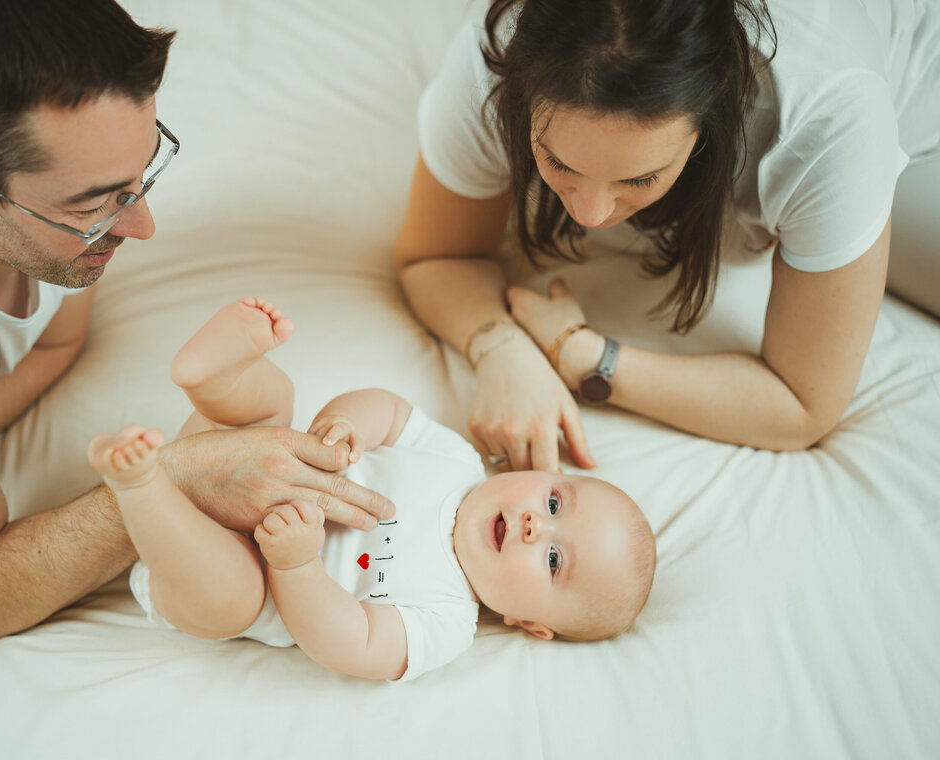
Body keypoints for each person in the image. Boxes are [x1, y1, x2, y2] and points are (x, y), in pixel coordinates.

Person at [0, 0, 394, 631]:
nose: (142, 226)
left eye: (142, 174)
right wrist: (177, 478)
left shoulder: (11, 154)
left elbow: (57, 342)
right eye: (95, 204)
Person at [394, 0, 940, 473]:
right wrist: (501, 347)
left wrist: (584, 356)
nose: (590, 214)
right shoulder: (496, 55)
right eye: (558, 162)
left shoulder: (828, 119)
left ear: (713, 122)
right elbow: (435, 256)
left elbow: (802, 404)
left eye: (638, 178)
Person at [89, 298, 656, 681]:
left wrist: (294, 567)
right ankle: (215, 378)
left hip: (219, 569)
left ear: (529, 624)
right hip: (237, 462)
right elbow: (388, 409)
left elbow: (350, 643)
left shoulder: (447, 623)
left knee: (236, 596)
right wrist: (347, 427)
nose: (537, 525)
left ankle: (142, 485)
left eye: (554, 560)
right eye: (554, 502)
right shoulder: (455, 461)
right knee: (272, 409)